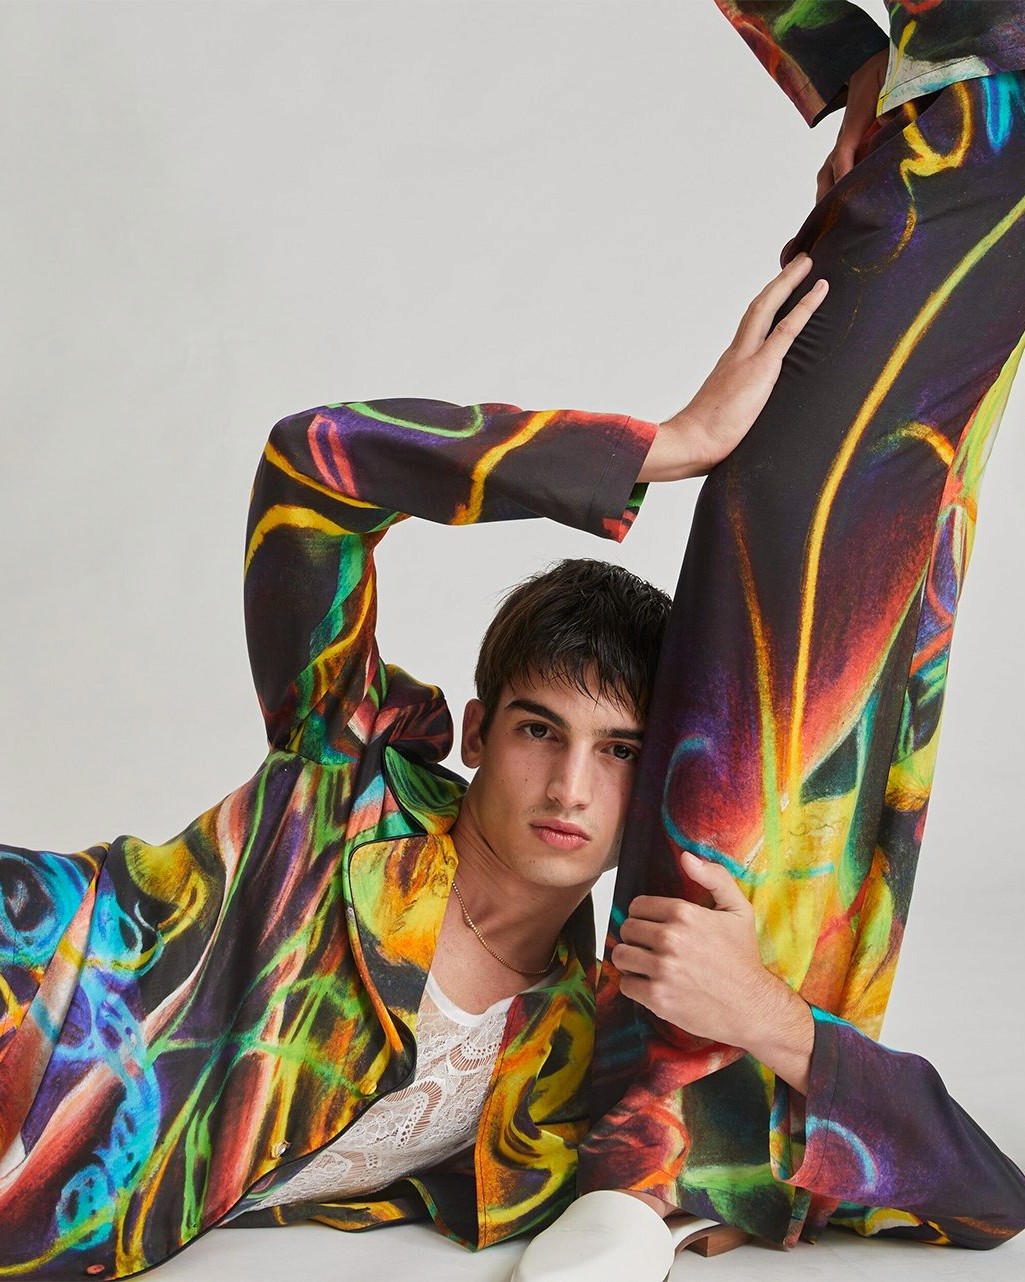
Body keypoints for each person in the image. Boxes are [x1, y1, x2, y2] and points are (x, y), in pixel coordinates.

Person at [0, 256, 827, 1279]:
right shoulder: (343, 775)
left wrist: (765, 1026)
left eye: (619, 751)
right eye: (538, 731)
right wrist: (662, 448)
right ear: (477, 733)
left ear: (660, 780)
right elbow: (314, 462)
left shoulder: (579, 1044)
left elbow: (972, 1194)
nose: (569, 786)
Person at [513, 4, 1025, 1279]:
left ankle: (676, 1121)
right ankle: (717, 1113)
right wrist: (854, 61)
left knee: (844, 565)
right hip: (979, 107)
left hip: (985, 119)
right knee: (837, 562)